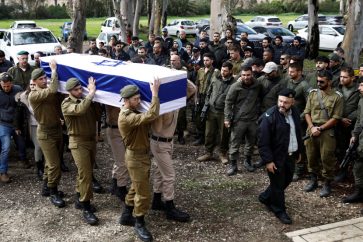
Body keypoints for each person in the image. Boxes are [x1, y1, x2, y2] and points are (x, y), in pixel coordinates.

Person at [118, 79, 160, 242]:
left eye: (139, 98)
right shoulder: (127, 117)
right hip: (136, 157)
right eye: (136, 99)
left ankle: (126, 215)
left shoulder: (132, 112)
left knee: (136, 187)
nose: (139, 101)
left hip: (140, 155)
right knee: (143, 193)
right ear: (127, 101)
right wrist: (155, 94)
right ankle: (139, 222)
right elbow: (151, 115)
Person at [150, 79, 196, 222]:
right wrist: (160, 106)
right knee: (169, 176)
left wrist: (177, 77)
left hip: (168, 142)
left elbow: (193, 89)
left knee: (159, 171)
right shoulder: (160, 105)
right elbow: (157, 129)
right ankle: (170, 207)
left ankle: (156, 201)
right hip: (159, 143)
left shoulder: (176, 101)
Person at [258, 88, 303, 224]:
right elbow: (263, 141)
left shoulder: (295, 112)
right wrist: (268, 161)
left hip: (291, 155)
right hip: (276, 157)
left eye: (286, 102)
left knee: (287, 180)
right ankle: (279, 210)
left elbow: (297, 132)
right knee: (278, 185)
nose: (282, 105)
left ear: (292, 102)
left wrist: (299, 151)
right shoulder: (269, 116)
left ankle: (265, 196)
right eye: (280, 101)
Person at [61, 77, 102, 225]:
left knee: (85, 171)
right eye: (76, 90)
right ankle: (86, 206)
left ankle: (79, 196)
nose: (79, 91)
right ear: (70, 91)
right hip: (78, 142)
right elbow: (80, 110)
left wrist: (96, 100)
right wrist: (91, 94)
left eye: (80, 89)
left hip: (90, 140)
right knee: (86, 174)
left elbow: (97, 116)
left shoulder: (86, 101)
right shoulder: (67, 104)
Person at [28, 61, 65, 208]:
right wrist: (54, 71)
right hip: (45, 133)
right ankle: (53, 191)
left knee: (51, 164)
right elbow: (53, 89)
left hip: (56, 129)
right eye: (41, 79)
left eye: (45, 78)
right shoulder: (34, 95)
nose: (44, 80)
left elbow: (53, 103)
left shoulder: (46, 91)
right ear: (34, 82)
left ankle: (45, 187)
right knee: (55, 165)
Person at [304, 70, 343, 197]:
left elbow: (336, 118)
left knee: (327, 157)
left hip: (326, 131)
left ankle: (327, 183)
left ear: (329, 82)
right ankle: (313, 179)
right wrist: (311, 127)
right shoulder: (313, 94)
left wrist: (320, 129)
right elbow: (307, 112)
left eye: (322, 81)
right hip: (312, 128)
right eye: (318, 81)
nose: (319, 83)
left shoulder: (337, 97)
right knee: (311, 155)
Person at [224, 66, 263, 175]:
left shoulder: (257, 85)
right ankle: (233, 164)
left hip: (253, 120)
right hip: (239, 120)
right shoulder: (235, 87)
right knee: (234, 142)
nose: (246, 77)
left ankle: (248, 160)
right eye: (244, 75)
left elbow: (260, 98)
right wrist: (227, 118)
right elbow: (228, 102)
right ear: (240, 75)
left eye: (248, 75)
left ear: (252, 74)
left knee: (250, 142)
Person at [197, 61, 235, 163]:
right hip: (211, 110)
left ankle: (223, 153)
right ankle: (208, 152)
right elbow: (209, 92)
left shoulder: (234, 83)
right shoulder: (215, 78)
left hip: (223, 112)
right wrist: (207, 104)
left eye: (226, 71)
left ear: (231, 71)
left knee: (224, 134)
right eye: (222, 70)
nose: (223, 72)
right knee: (209, 132)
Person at [334, 67, 360, 183]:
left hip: (352, 125)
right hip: (337, 122)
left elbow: (360, 108)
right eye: (341, 76)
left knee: (349, 150)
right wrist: (340, 118)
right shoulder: (337, 87)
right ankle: (339, 170)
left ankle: (346, 172)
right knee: (338, 148)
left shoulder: (358, 89)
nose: (342, 79)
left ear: (352, 78)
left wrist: (349, 118)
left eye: (345, 77)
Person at [0, 73, 23, 183]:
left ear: (11, 84)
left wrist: (18, 124)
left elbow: (20, 108)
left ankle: (23, 159)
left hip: (16, 122)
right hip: (3, 123)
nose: (6, 88)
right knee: (6, 147)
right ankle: (3, 171)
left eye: (8, 86)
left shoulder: (18, 90)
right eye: (3, 86)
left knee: (21, 143)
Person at [19, 79, 44, 180]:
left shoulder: (43, 94)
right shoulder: (24, 96)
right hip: (34, 124)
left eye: (34, 84)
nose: (33, 86)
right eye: (31, 84)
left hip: (45, 124)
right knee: (38, 146)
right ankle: (39, 168)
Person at [105, 104, 129, 202]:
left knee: (119, 159)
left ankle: (115, 182)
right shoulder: (111, 96)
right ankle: (121, 188)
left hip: (124, 129)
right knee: (122, 161)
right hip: (115, 129)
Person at [344, 81, 363, 204]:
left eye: (362, 85)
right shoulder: (361, 101)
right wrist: (354, 135)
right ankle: (359, 192)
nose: (359, 88)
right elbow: (359, 121)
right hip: (361, 138)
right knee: (358, 165)